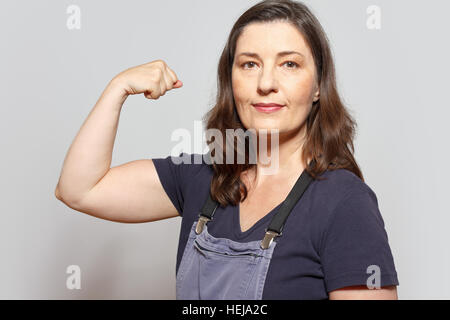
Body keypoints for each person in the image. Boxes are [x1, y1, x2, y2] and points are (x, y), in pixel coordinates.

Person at [55, 0, 399, 300]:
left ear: (317, 88)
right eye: (249, 64)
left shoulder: (345, 203)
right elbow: (79, 189)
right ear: (230, 81)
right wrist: (118, 88)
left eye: (289, 64)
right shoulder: (201, 179)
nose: (266, 83)